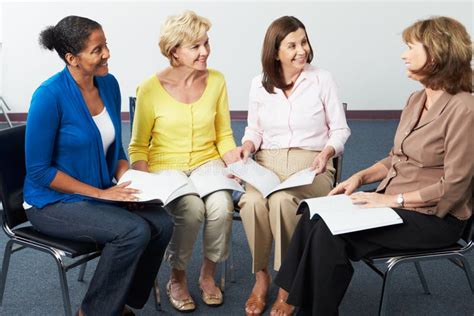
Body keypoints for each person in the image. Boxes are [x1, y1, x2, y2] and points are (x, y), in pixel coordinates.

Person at [273, 16, 473, 315]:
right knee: (312, 215)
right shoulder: (416, 100)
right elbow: (396, 157)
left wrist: (393, 200)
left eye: (410, 47)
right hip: (396, 203)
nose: (404, 55)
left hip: (435, 218)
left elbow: (456, 185)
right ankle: (290, 299)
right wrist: (360, 177)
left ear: (436, 54)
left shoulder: (465, 109)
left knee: (329, 234)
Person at [23, 16, 173, 316]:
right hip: (51, 203)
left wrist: (128, 180)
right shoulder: (48, 96)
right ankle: (93, 312)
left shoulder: (108, 84)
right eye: (97, 49)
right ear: (72, 58)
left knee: (161, 223)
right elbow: (39, 171)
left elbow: (114, 147)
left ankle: (118, 304)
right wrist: (102, 194)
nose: (107, 54)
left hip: (99, 191)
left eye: (106, 45)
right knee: (132, 232)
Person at [232, 16, 350, 316]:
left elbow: (340, 130)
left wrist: (327, 152)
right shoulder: (258, 84)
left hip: (311, 164)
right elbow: (254, 130)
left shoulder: (322, 79)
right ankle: (261, 279)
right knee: (252, 203)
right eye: (292, 45)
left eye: (304, 42)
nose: (302, 50)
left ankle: (287, 288)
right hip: (267, 163)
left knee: (285, 203)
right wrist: (247, 146)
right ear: (275, 52)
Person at [128, 10, 239, 312]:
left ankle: (207, 274)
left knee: (221, 206)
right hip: (166, 165)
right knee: (190, 209)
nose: (205, 51)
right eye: (195, 46)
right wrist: (145, 186)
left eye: (206, 43)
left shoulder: (217, 81)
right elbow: (138, 146)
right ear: (174, 51)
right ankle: (176, 278)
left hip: (208, 161)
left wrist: (236, 162)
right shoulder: (149, 88)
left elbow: (224, 135)